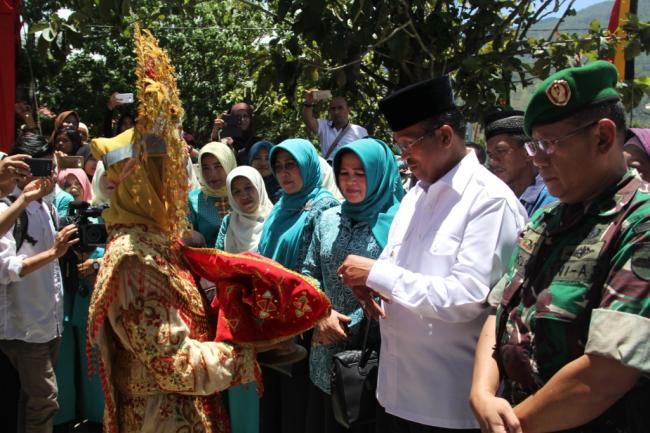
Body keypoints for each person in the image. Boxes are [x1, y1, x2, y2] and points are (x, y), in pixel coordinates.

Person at [87, 26, 262, 433]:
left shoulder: (154, 244)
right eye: (165, 175)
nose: (179, 186)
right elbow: (173, 363)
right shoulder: (133, 257)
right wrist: (248, 355)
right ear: (139, 182)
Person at [337, 76, 528, 433]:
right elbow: (398, 272)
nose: (404, 156)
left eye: (409, 143)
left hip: (445, 405)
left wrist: (377, 275)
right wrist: (374, 285)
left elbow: (469, 297)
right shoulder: (414, 196)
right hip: (394, 391)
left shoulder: (489, 201)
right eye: (399, 144)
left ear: (444, 136)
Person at [470, 60, 650, 433]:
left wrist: (510, 425)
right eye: (534, 145)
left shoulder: (639, 224)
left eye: (549, 145)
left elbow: (606, 374)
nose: (537, 159)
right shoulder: (546, 220)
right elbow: (497, 309)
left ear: (602, 137)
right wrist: (482, 394)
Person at [302, 137, 403, 433]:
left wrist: (354, 321)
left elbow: (404, 284)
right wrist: (320, 314)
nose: (351, 181)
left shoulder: (400, 223)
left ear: (379, 173)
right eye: (344, 173)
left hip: (373, 359)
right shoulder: (327, 218)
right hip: (325, 353)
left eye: (361, 173)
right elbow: (309, 271)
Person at [257, 138, 340, 433]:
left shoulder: (324, 208)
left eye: (291, 165)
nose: (284, 173)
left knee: (294, 407)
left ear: (308, 165)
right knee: (272, 405)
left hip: (301, 324)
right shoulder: (280, 207)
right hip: (271, 320)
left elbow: (316, 267)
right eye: (278, 167)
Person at [0, 142, 79, 433]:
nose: (51, 176)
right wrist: (53, 253)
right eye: (42, 169)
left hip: (49, 322)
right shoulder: (7, 209)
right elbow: (6, 270)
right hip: (24, 327)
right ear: (20, 172)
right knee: (45, 401)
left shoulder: (44, 205)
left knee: (29, 399)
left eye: (53, 168)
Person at [214, 165, 273, 433]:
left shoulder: (274, 219)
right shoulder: (230, 224)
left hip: (269, 317)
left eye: (248, 187)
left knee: (270, 387)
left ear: (259, 186)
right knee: (241, 382)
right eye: (236, 191)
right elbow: (218, 261)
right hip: (237, 317)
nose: (244, 196)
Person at [484, 110, 556, 216]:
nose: (493, 162)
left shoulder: (551, 200)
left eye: (500, 151)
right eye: (490, 155)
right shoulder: (496, 198)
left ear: (527, 151)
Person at [188, 141, 237, 247]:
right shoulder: (194, 199)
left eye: (218, 166)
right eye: (206, 168)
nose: (212, 174)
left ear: (228, 164)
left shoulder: (241, 192)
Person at [302, 92, 368, 161]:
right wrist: (308, 102)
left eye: (340, 108)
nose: (336, 112)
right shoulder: (324, 126)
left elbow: (367, 155)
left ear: (349, 110)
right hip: (329, 171)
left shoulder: (360, 131)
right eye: (333, 109)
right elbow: (308, 120)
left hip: (348, 170)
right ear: (329, 111)